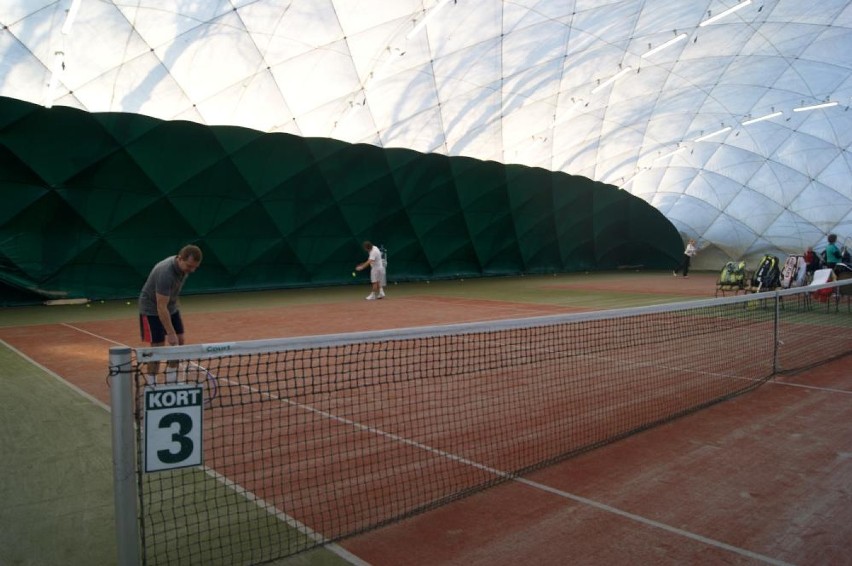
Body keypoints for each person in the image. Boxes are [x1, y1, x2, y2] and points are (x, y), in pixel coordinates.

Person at [138, 244, 203, 385]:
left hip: (170, 305)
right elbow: (161, 307)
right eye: (189, 266)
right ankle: (152, 384)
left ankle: (171, 381)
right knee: (158, 347)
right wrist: (170, 332)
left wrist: (175, 334)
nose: (191, 270)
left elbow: (169, 297)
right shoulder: (166, 272)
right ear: (180, 259)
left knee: (179, 341)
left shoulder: (183, 269)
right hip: (151, 308)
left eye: (195, 267)